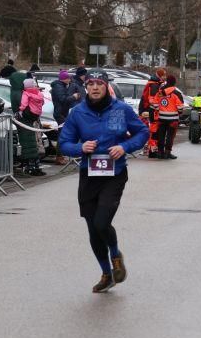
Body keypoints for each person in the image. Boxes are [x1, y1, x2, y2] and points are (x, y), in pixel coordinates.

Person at [59, 77, 149, 293]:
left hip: (114, 174)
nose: (95, 87)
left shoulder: (121, 109)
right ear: (86, 87)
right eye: (90, 84)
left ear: (106, 87)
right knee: (92, 228)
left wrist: (124, 147)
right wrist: (80, 148)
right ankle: (106, 274)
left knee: (101, 222)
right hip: (89, 175)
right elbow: (64, 143)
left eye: (99, 83)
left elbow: (143, 132)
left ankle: (115, 255)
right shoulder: (78, 113)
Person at [151, 74, 185, 159]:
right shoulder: (176, 93)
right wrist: (179, 112)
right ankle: (167, 153)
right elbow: (180, 107)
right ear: (174, 82)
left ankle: (160, 153)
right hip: (173, 119)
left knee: (161, 135)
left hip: (161, 118)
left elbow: (154, 103)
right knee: (170, 136)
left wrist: (159, 109)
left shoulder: (160, 92)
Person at [18, 77, 46, 176]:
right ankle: (36, 166)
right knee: (37, 140)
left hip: (30, 114)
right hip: (37, 114)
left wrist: (21, 110)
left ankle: (31, 167)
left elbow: (24, 103)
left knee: (33, 141)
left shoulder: (26, 93)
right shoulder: (38, 93)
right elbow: (42, 101)